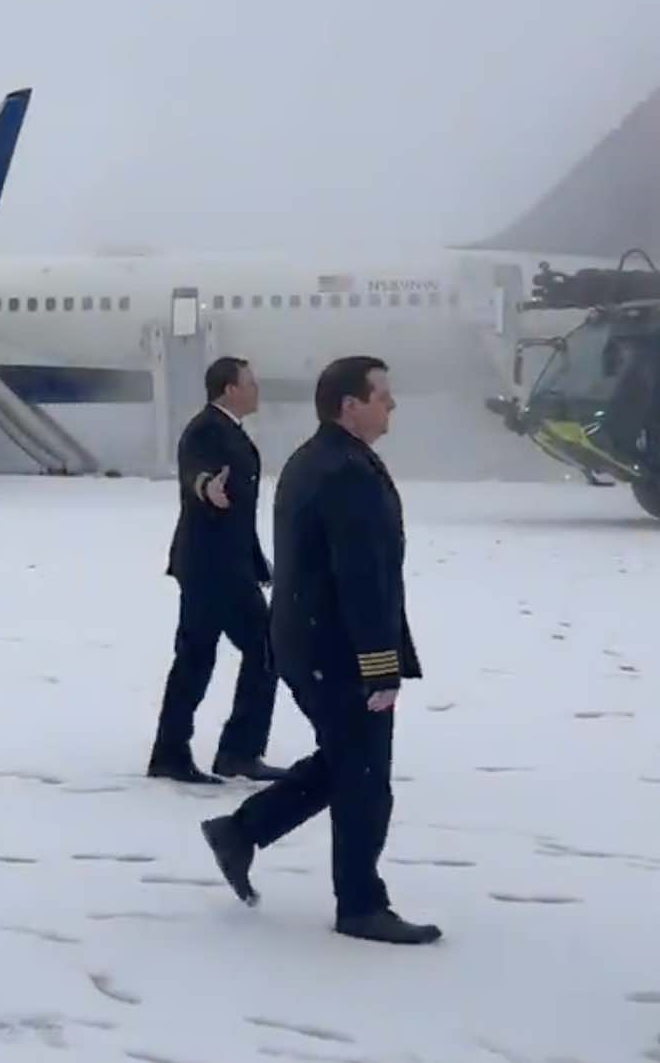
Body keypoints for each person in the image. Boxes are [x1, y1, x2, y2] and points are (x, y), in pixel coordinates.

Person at [198, 355, 441, 945]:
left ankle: (241, 831)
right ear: (349, 405)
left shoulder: (323, 459)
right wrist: (381, 669)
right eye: (382, 395)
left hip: (309, 642)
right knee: (364, 778)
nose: (391, 405)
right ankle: (359, 904)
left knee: (343, 762)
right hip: (337, 651)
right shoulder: (345, 472)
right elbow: (363, 580)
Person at [150, 356, 285, 783]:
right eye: (251, 382)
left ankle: (173, 753)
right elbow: (198, 473)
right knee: (266, 649)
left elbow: (240, 513)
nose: (257, 389)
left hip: (218, 565)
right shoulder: (207, 430)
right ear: (229, 389)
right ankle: (237, 752)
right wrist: (206, 486)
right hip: (214, 570)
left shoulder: (226, 429)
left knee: (196, 659)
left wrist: (256, 559)